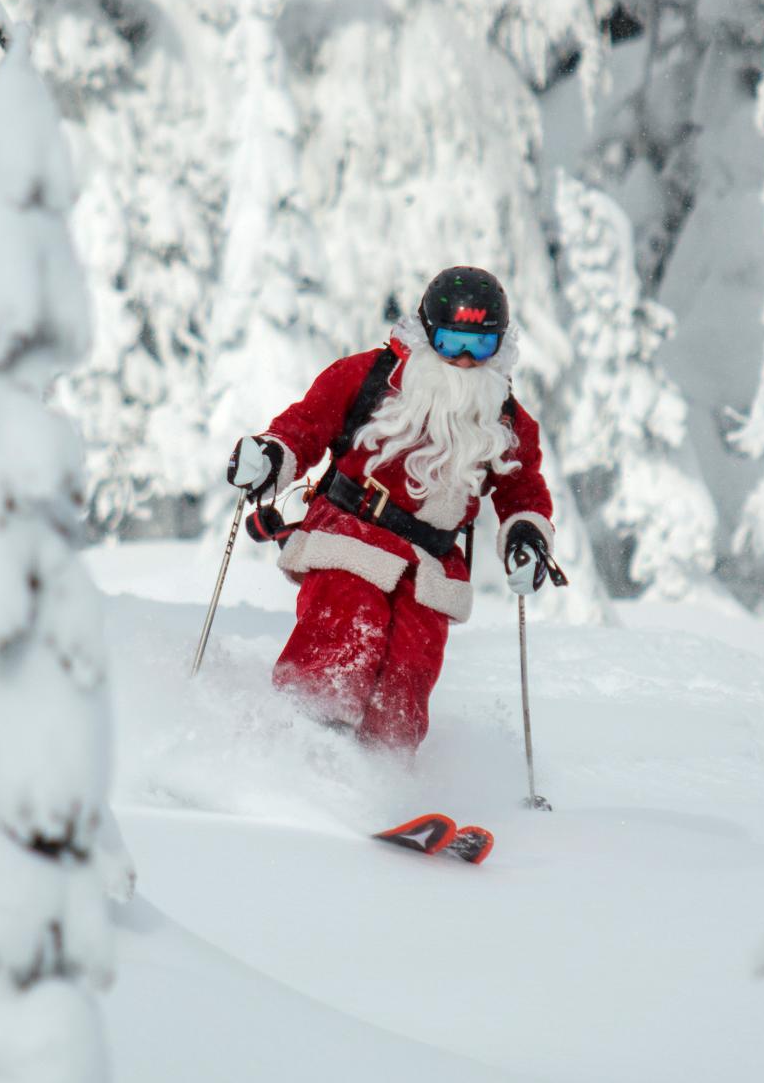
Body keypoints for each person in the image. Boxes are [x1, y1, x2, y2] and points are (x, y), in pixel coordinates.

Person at [226, 266, 559, 748]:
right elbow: (306, 425)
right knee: (347, 623)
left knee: (409, 670)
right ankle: (299, 740)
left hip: (429, 566)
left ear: (500, 347)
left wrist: (526, 533)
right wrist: (272, 454)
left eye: (481, 346)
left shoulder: (505, 419)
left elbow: (522, 490)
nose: (465, 360)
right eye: (451, 342)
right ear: (427, 334)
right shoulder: (369, 376)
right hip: (351, 535)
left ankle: (386, 773)